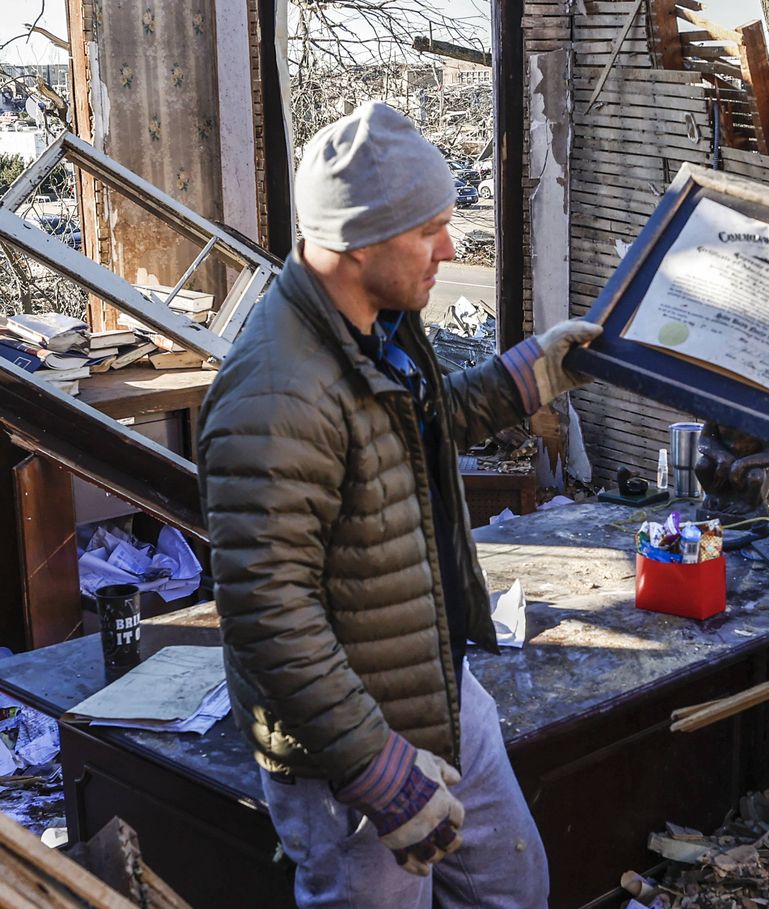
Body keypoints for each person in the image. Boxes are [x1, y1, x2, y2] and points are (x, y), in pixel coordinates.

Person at [197, 101, 600, 908]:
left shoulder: (374, 324)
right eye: (429, 231)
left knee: (514, 887)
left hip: (436, 685)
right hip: (344, 755)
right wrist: (375, 770)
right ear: (354, 241)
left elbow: (415, 427)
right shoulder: (274, 393)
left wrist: (535, 374)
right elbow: (265, 611)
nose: (449, 249)